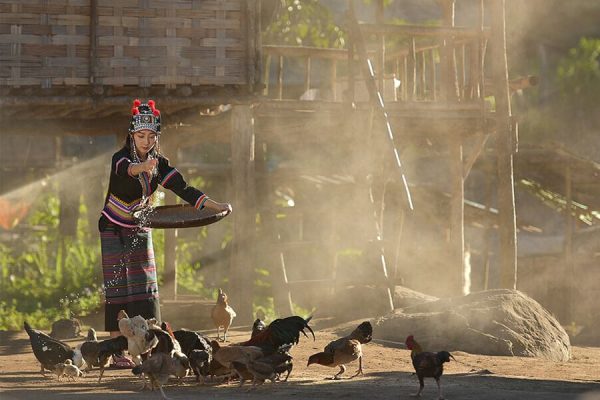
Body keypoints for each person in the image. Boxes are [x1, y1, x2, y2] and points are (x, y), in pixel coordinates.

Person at [98, 99, 230, 367]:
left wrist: (216, 205)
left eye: (150, 136)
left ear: (156, 138)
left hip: (141, 224)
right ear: (132, 136)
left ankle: (147, 345)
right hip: (113, 226)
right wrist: (142, 167)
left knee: (144, 285)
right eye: (140, 136)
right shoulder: (120, 159)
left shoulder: (160, 164)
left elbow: (183, 188)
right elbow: (127, 170)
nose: (145, 141)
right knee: (118, 286)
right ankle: (117, 351)